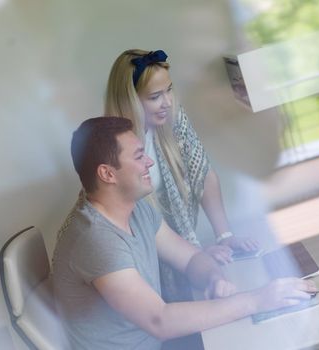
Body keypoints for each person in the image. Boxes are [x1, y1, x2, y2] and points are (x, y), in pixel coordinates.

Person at [52, 116, 316, 350]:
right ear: (107, 174)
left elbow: (190, 258)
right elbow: (160, 321)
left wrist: (213, 278)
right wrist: (257, 300)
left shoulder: (136, 209)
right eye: (138, 156)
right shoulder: (95, 239)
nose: (149, 162)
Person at [102, 48, 258, 301]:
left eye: (169, 90)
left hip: (182, 254)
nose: (168, 102)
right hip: (147, 269)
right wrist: (195, 255)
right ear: (130, 100)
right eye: (155, 96)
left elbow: (202, 172)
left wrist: (225, 236)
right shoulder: (115, 149)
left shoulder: (172, 119)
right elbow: (140, 228)